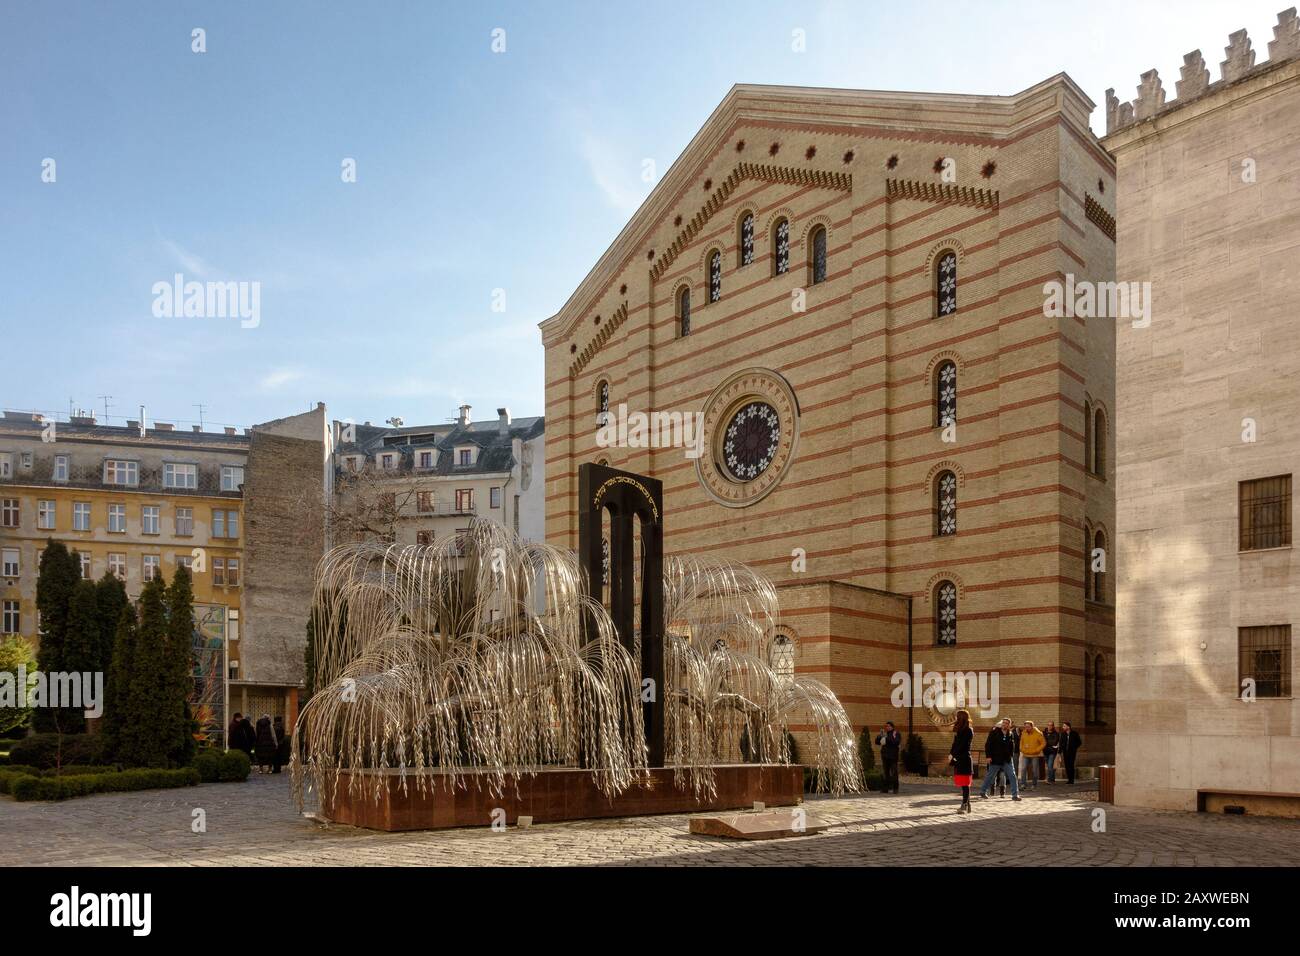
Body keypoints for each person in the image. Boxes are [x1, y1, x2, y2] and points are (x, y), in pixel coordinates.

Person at [979, 718, 1021, 801]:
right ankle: (983, 791)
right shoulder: (994, 732)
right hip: (995, 759)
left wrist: (1011, 755)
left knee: (1012, 776)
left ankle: (1015, 795)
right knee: (990, 776)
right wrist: (988, 756)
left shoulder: (1010, 734)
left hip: (1007, 759)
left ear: (1009, 725)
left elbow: (1012, 746)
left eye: (1006, 723)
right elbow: (988, 745)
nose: (1004, 724)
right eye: (1003, 723)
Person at [948, 709, 975, 814]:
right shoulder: (959, 730)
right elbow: (955, 744)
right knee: (963, 783)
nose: (956, 718)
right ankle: (967, 805)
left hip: (965, 759)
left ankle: (964, 805)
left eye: (957, 716)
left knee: (965, 784)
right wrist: (951, 754)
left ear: (961, 717)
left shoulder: (968, 730)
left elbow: (963, 745)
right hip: (959, 759)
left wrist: (954, 755)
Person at [1018, 720, 1046, 791]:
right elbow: (1021, 742)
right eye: (1025, 726)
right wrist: (1021, 749)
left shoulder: (1038, 733)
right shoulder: (1023, 733)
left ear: (1032, 726)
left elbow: (1043, 743)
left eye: (1028, 726)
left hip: (1035, 755)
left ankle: (1034, 785)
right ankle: (1023, 784)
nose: (1026, 728)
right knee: (1023, 769)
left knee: (1034, 770)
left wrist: (1037, 750)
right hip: (1025, 754)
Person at [875, 721, 902, 794]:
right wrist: (880, 736)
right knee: (885, 773)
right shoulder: (885, 734)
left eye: (888, 726)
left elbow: (896, 742)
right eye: (886, 726)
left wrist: (886, 738)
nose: (887, 727)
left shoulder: (896, 733)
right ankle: (885, 789)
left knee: (894, 773)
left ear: (892, 727)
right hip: (885, 756)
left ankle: (895, 789)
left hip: (893, 756)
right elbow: (877, 742)